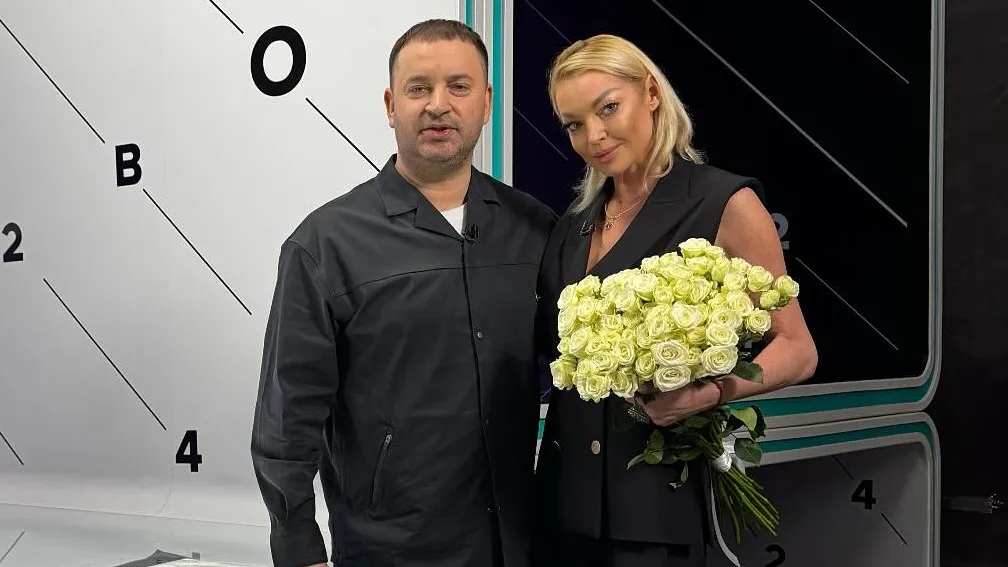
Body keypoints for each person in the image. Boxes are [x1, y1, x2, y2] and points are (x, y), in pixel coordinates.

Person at [250, 19, 556, 567]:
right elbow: (287, 417)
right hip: (390, 548)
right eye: (419, 88)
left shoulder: (534, 228)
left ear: (487, 103)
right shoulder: (325, 243)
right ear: (392, 106)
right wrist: (298, 548)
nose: (438, 105)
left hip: (520, 543)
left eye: (458, 87)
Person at [531, 34, 819, 567]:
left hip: (656, 509)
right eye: (574, 124)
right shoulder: (572, 226)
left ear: (651, 94)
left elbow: (798, 349)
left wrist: (708, 393)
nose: (593, 135)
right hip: (560, 506)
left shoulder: (723, 202)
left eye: (608, 108)